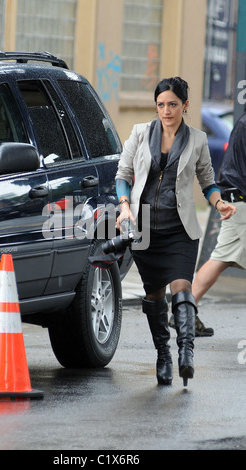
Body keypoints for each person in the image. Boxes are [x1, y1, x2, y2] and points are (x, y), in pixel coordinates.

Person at [115, 77, 236, 386]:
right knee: (154, 296)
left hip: (180, 230)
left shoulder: (196, 139)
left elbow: (207, 180)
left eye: (172, 104)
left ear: (185, 105)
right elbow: (123, 174)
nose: (166, 111)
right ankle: (163, 355)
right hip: (145, 229)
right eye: (161, 105)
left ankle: (186, 352)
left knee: (181, 291)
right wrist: (125, 206)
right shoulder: (140, 134)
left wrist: (219, 203)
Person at [192, 112, 246, 307]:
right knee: (218, 260)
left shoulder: (242, 122)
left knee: (219, 259)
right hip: (241, 202)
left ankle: (184, 312)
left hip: (235, 200)